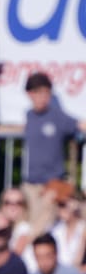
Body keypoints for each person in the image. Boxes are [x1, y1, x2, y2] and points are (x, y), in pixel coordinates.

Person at [19, 72, 86, 234]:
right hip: (31, 185)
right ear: (30, 94)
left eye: (46, 93)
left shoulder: (57, 116)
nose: (43, 98)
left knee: (45, 227)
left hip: (52, 185)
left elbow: (80, 125)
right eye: (39, 93)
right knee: (30, 224)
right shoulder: (28, 115)